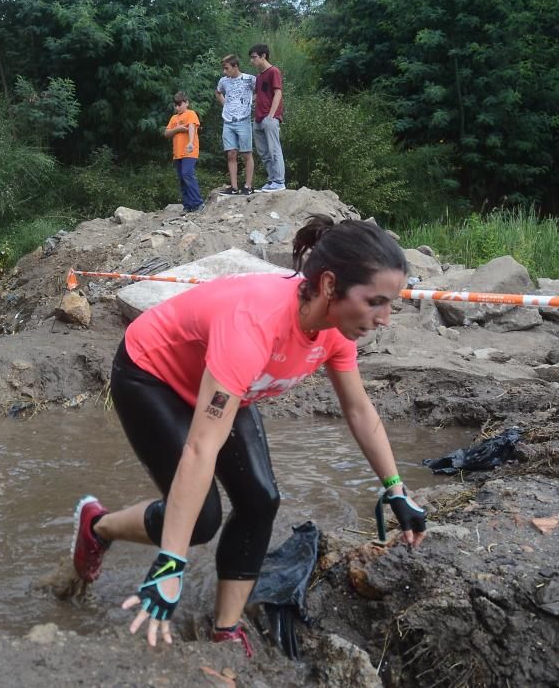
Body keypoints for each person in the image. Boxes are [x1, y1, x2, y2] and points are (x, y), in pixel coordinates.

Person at [70, 216, 427, 652]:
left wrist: (396, 490)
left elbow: (359, 410)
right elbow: (202, 447)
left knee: (260, 499)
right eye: (376, 302)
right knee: (200, 521)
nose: (385, 318)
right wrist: (171, 563)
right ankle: (98, 526)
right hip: (152, 376)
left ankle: (226, 629)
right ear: (331, 285)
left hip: (223, 384)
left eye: (391, 303)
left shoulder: (335, 330)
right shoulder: (255, 325)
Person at [215, 54, 256, 196]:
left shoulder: (249, 79)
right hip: (228, 121)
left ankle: (248, 186)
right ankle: (233, 187)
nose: (224, 72)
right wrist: (225, 104)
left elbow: (261, 92)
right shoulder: (223, 81)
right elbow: (218, 92)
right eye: (223, 69)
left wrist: (250, 101)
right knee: (231, 153)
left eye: (226, 68)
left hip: (243, 120)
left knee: (246, 153)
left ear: (235, 66)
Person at [249, 43, 285, 192]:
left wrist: (271, 115)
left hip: (269, 118)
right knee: (263, 152)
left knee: (274, 149)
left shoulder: (273, 71)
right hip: (258, 118)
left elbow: (278, 93)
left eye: (254, 57)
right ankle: (272, 180)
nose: (252, 61)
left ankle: (279, 181)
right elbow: (258, 95)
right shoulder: (259, 76)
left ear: (263, 56)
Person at [164, 91, 204, 215]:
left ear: (186, 103)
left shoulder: (190, 114)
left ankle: (198, 203)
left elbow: (192, 127)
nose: (177, 107)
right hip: (178, 153)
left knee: (187, 173)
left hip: (189, 152)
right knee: (182, 178)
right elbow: (166, 133)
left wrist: (191, 142)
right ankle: (187, 205)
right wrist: (178, 129)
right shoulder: (174, 118)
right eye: (175, 105)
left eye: (179, 104)